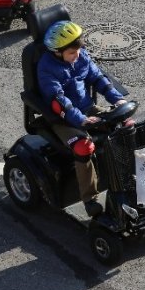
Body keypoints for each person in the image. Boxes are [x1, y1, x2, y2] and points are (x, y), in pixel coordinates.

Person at [37, 21, 126, 217]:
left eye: (78, 50)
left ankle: (128, 178)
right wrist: (81, 120)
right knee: (83, 147)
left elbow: (98, 78)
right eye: (71, 53)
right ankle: (90, 199)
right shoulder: (46, 68)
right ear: (57, 52)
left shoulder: (80, 55)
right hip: (63, 120)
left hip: (88, 108)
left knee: (125, 125)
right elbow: (59, 101)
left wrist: (116, 99)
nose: (76, 55)